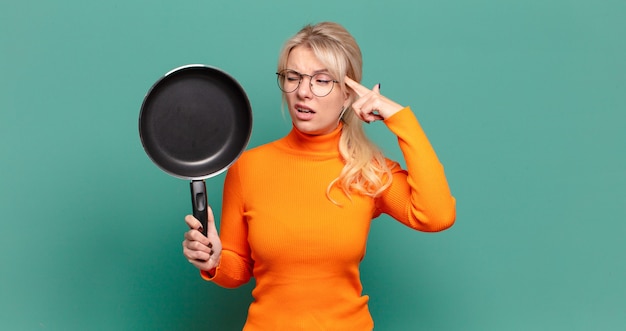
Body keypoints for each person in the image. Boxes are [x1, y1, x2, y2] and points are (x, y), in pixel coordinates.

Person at [182, 21, 456, 330]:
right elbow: (238, 271)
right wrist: (215, 261)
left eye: (322, 80)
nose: (302, 92)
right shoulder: (247, 166)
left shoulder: (367, 170)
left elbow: (437, 215)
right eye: (293, 77)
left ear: (348, 94)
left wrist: (398, 117)